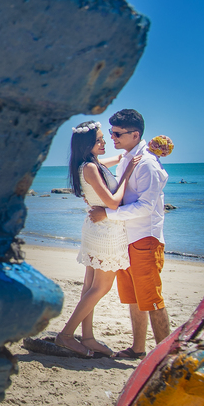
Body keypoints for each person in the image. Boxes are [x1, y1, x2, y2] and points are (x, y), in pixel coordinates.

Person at [54, 121, 142, 357]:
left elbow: (115, 160)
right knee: (101, 288)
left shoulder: (91, 164)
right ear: (87, 144)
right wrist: (127, 176)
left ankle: (89, 337)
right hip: (106, 232)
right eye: (99, 139)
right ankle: (66, 335)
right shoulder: (90, 168)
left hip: (97, 229)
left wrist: (133, 153)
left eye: (104, 138)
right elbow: (113, 203)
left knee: (89, 287)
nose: (105, 142)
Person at [89, 109, 170, 359]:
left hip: (145, 238)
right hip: (127, 238)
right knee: (134, 298)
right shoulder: (128, 157)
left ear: (135, 135)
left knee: (152, 299)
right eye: (111, 133)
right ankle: (138, 349)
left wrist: (107, 214)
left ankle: (165, 357)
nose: (112, 137)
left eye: (117, 134)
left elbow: (146, 207)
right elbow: (94, 166)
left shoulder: (146, 163)